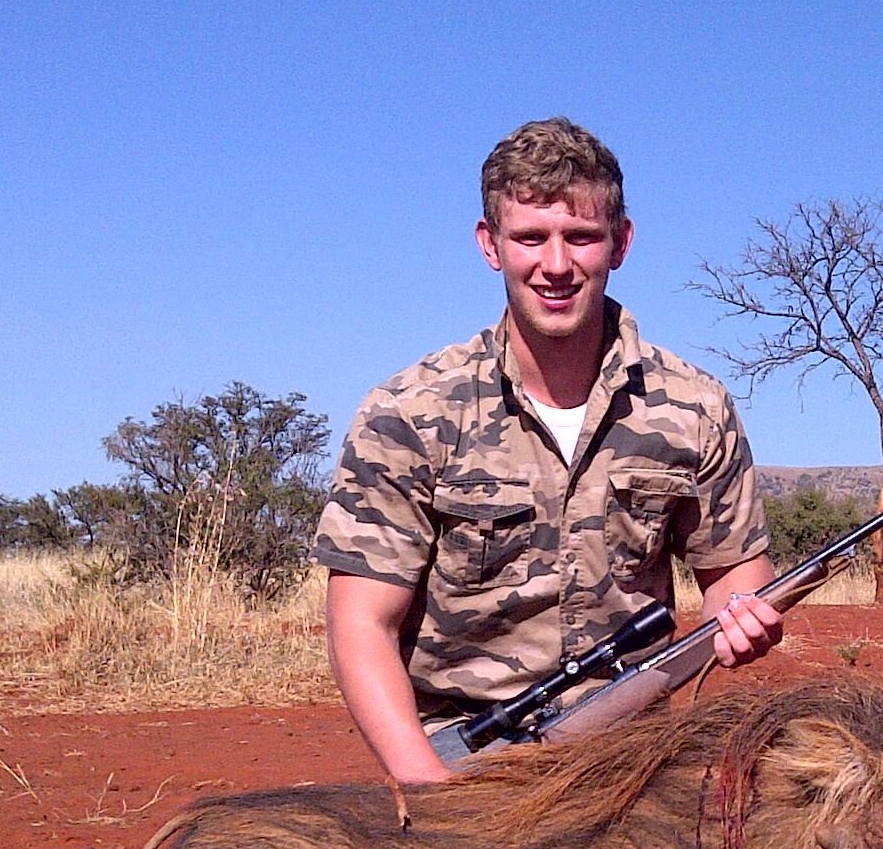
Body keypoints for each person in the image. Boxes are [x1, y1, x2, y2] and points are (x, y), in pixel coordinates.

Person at [313, 118, 782, 781]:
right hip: (462, 760)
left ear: (620, 244)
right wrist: (429, 794)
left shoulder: (695, 407)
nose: (556, 265)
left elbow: (735, 576)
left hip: (632, 758)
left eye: (582, 238)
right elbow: (362, 625)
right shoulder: (408, 412)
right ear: (490, 244)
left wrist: (740, 618)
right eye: (530, 238)